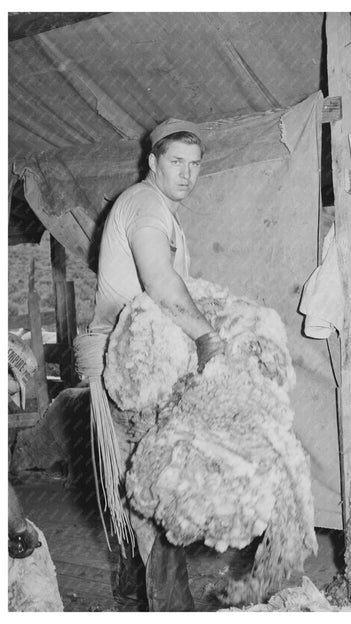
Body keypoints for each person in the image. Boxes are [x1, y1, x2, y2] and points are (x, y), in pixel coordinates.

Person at [89, 118, 225, 611]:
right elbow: (160, 281)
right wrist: (206, 335)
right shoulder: (146, 206)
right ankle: (173, 612)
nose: (187, 175)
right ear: (153, 162)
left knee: (133, 486)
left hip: (130, 360)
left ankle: (131, 596)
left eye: (194, 166)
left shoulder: (154, 207)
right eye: (176, 163)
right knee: (159, 487)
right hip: (132, 365)